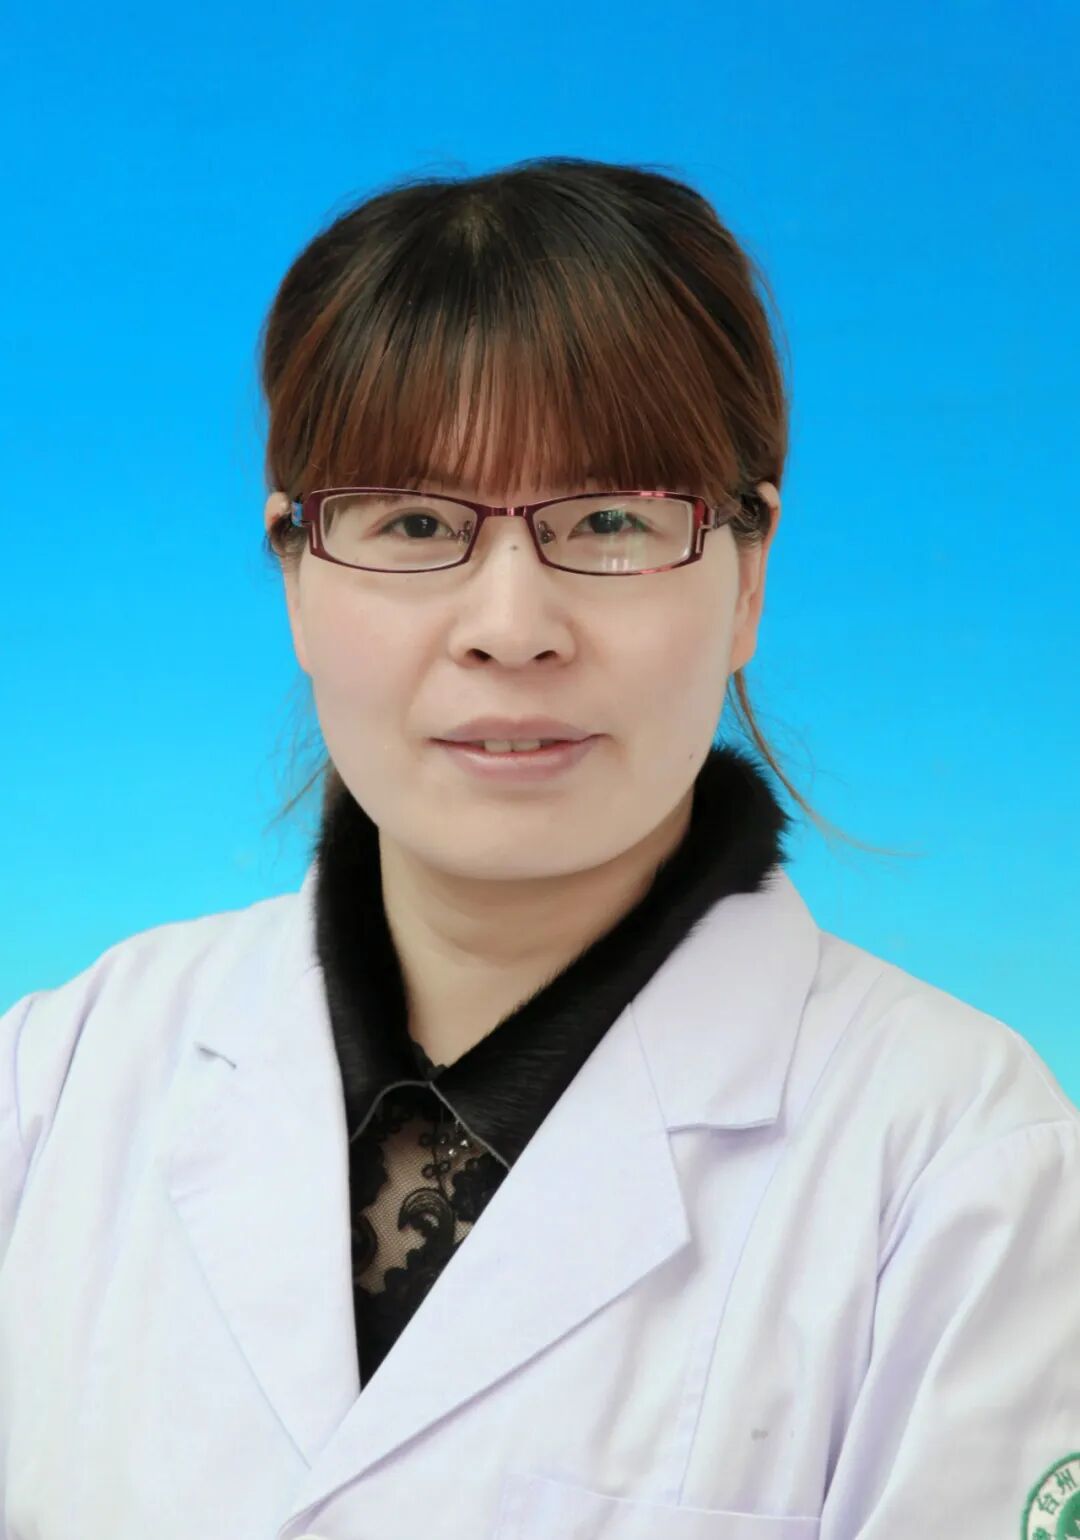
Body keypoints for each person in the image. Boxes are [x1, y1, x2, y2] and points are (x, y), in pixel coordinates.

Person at [1, 156, 1077, 1540]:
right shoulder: (58, 1085)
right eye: (414, 524)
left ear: (749, 572)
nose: (511, 628)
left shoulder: (964, 1173)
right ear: (295, 570)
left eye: (611, 521)